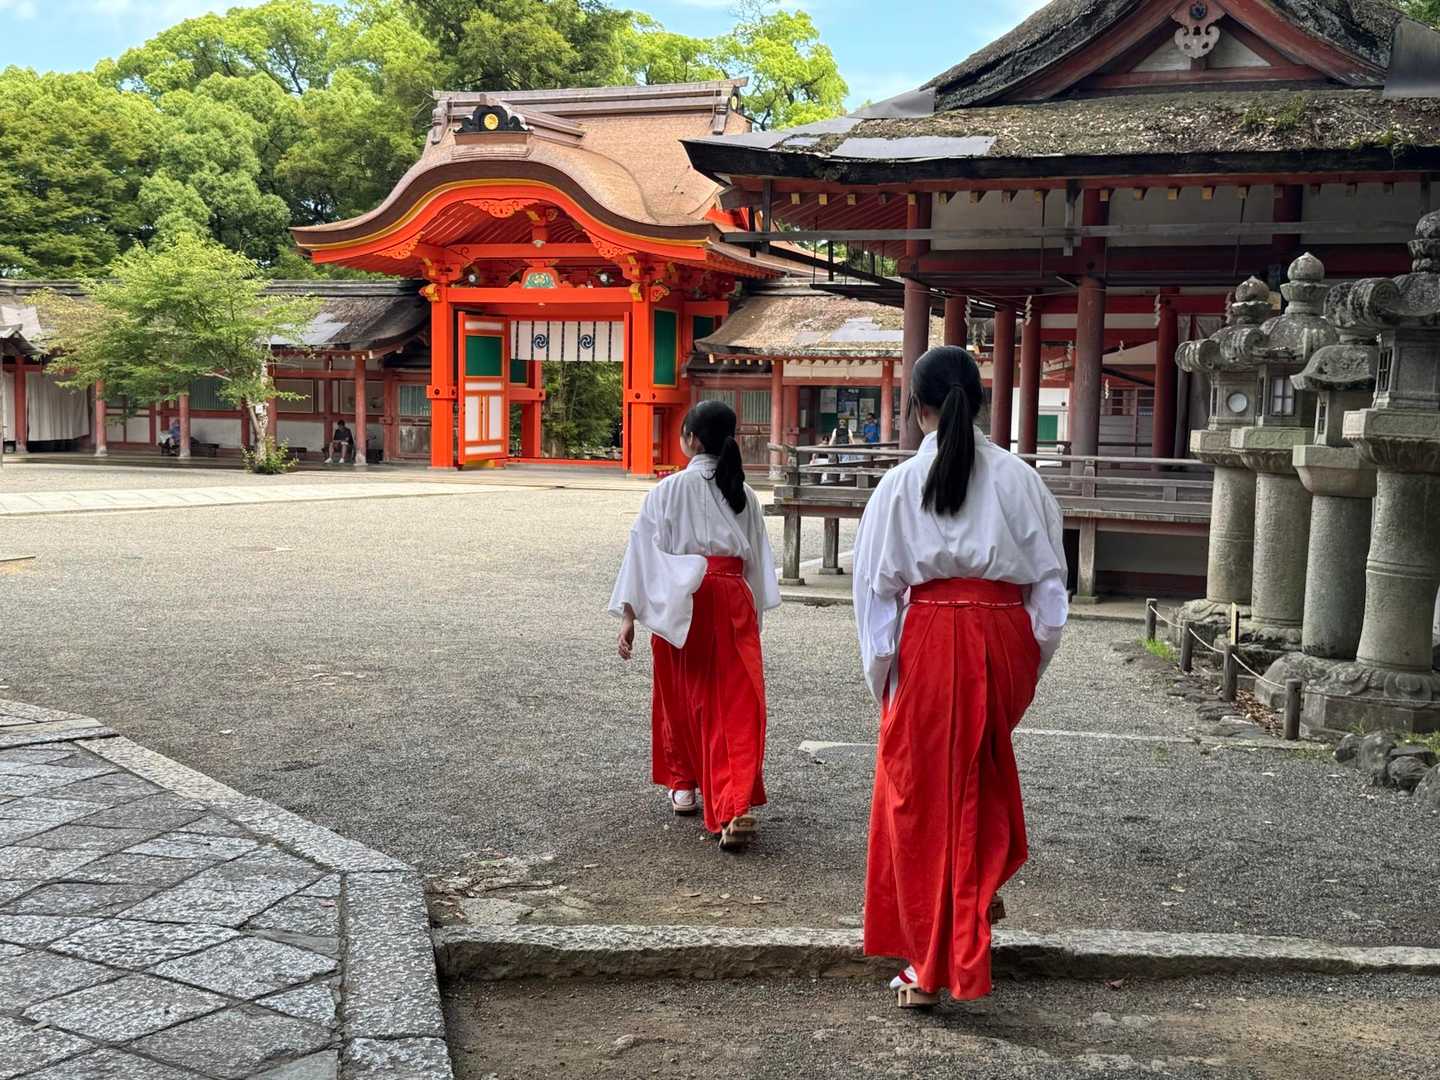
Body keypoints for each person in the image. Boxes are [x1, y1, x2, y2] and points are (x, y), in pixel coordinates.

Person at [852, 345, 1067, 1008]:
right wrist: (1025, 661)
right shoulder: (1023, 480)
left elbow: (875, 595)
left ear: (916, 407)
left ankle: (930, 963)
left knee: (919, 797)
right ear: (979, 403)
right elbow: (1050, 591)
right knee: (979, 781)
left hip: (929, 638)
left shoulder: (898, 486)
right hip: (1002, 637)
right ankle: (970, 907)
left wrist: (885, 677)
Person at [610, 400, 780, 850]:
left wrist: (629, 615)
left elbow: (641, 553)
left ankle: (683, 785)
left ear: (690, 438)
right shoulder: (743, 494)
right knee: (735, 704)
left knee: (680, 695)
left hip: (679, 598)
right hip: (731, 597)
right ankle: (732, 802)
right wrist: (753, 616)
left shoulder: (666, 491)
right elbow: (757, 562)